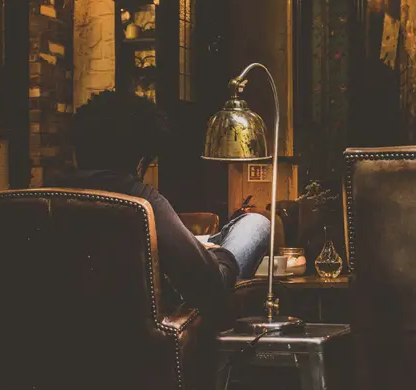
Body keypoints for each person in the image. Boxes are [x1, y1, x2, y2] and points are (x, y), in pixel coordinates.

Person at [50, 90, 270, 312]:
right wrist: (218, 255)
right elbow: (209, 284)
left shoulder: (46, 196)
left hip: (79, 323)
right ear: (140, 161)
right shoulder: (142, 202)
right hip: (179, 301)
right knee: (256, 224)